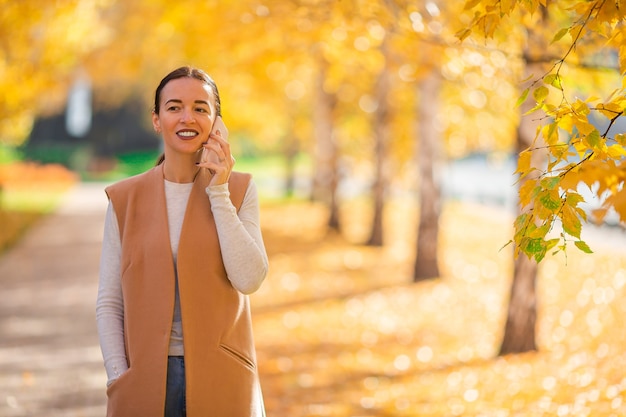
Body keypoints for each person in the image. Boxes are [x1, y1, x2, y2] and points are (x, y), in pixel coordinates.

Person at [96, 66, 269, 417]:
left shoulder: (239, 190)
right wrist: (119, 374)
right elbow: (110, 302)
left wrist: (218, 191)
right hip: (144, 381)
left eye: (201, 108)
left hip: (223, 377)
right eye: (174, 107)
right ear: (157, 120)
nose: (187, 117)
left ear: (216, 121)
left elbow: (249, 279)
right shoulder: (124, 198)